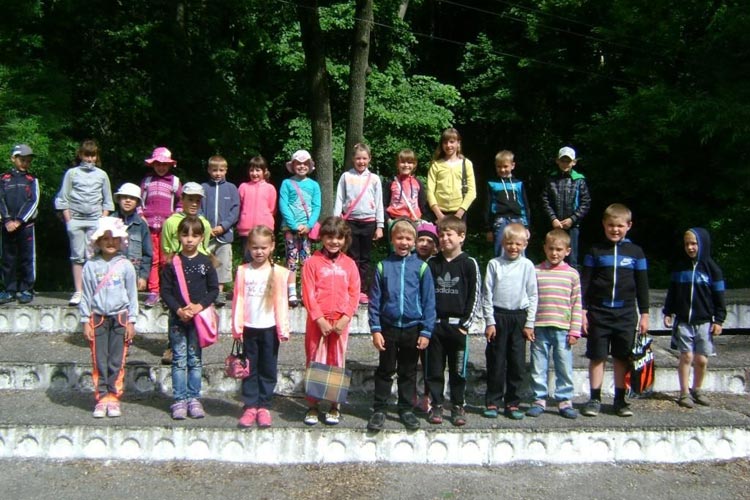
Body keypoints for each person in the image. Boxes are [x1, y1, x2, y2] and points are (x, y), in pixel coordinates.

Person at [581, 203, 649, 418]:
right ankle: (594, 399)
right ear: (604, 224)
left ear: (629, 226)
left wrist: (645, 313)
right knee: (597, 356)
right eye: (611, 225)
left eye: (620, 226)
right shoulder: (595, 251)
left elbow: (643, 285)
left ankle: (620, 400)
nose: (615, 229)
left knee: (622, 357)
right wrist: (582, 311)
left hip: (626, 314)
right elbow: (585, 283)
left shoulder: (636, 253)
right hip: (598, 312)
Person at [367, 219, 436, 431]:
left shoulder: (422, 268)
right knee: (385, 369)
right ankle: (380, 408)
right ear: (392, 240)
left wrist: (426, 331)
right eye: (399, 238)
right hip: (388, 327)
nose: (404, 242)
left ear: (414, 242)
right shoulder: (383, 266)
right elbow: (375, 301)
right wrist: (375, 329)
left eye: (408, 238)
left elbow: (429, 301)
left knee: (408, 371)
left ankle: (406, 409)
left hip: (412, 328)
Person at [301, 216, 360, 426]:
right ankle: (313, 405)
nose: (334, 242)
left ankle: (335, 406)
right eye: (329, 237)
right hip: (318, 322)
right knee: (315, 359)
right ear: (322, 238)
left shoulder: (350, 264)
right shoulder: (311, 262)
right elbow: (308, 292)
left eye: (339, 238)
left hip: (340, 322)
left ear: (345, 240)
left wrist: (346, 318)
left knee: (337, 361)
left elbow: (354, 293)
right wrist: (319, 319)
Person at [231, 225, 291, 428]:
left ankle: (264, 405)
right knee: (249, 368)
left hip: (269, 328)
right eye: (255, 247)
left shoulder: (279, 272)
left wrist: (283, 328)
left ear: (272, 247)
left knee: (268, 368)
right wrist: (237, 327)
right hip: (249, 328)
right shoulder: (243, 271)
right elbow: (238, 299)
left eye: (263, 247)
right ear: (248, 247)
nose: (259, 251)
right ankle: (250, 405)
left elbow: (282, 302)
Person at [160, 216, 219, 420]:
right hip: (178, 319)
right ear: (178, 236)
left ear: (202, 237)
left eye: (195, 235)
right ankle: (179, 399)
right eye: (185, 235)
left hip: (198, 320)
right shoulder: (171, 263)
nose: (190, 239)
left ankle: (194, 398)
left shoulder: (206, 262)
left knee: (194, 359)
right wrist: (179, 310)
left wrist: (198, 307)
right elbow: (165, 291)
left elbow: (213, 290)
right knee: (179, 359)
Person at [79, 217, 138, 418]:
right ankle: (101, 396)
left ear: (121, 241)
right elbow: (86, 295)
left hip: (120, 317)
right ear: (97, 241)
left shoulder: (125, 265)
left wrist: (132, 321)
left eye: (114, 238)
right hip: (98, 318)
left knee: (116, 360)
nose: (110, 242)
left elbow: (132, 295)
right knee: (99, 359)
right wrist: (85, 321)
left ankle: (113, 396)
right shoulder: (90, 266)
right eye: (105, 238)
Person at [426, 215, 482, 426]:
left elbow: (475, 295)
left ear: (461, 236)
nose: (444, 238)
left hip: (458, 327)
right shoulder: (432, 263)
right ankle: (437, 404)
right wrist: (428, 324)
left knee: (458, 370)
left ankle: (458, 405)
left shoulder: (469, 264)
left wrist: (465, 325)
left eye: (449, 234)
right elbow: (426, 295)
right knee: (434, 369)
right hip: (435, 326)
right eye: (441, 235)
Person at [663, 228, 726, 408]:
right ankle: (684, 392)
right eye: (687, 244)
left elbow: (719, 298)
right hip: (683, 321)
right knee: (686, 356)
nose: (690, 247)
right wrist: (668, 312)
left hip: (704, 322)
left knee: (701, 359)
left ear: (702, 244)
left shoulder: (712, 270)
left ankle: (697, 389)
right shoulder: (680, 268)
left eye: (694, 244)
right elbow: (672, 293)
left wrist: (719, 320)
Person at [482, 223, 538, 420]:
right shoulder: (494, 264)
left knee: (517, 364)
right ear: (502, 243)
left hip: (519, 318)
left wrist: (529, 323)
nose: (513, 247)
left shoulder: (527, 265)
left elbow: (533, 295)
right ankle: (493, 401)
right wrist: (490, 322)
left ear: (525, 244)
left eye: (518, 244)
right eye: (509, 243)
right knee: (496, 362)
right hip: (498, 317)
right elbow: (487, 295)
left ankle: (513, 403)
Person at [527, 229, 582, 419]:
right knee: (538, 365)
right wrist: (529, 324)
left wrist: (575, 330)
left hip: (563, 329)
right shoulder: (536, 271)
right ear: (544, 248)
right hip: (540, 326)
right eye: (551, 249)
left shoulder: (572, 274)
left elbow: (577, 303)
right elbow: (530, 299)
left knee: (564, 366)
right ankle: (539, 398)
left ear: (567, 251)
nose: (554, 253)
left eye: (559, 249)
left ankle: (564, 400)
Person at [55, 139, 114, 306]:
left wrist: (102, 219)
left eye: (93, 156)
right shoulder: (72, 173)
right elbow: (63, 198)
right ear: (80, 155)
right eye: (87, 155)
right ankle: (79, 291)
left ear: (97, 156)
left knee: (93, 255)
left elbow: (108, 201)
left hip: (95, 220)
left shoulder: (102, 175)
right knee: (77, 256)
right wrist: (69, 220)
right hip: (76, 220)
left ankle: (94, 291)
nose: (90, 159)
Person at [160, 182, 212, 364]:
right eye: (190, 199)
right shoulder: (171, 222)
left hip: (197, 271)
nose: (194, 204)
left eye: (198, 200)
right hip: (176, 269)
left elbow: (204, 247)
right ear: (182, 199)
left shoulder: (205, 223)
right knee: (175, 309)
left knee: (196, 308)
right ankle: (172, 345)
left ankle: (196, 342)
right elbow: (166, 247)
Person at [333, 143, 383, 304]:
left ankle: (363, 289)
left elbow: (379, 202)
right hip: (350, 222)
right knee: (352, 257)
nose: (361, 161)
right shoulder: (346, 176)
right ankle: (351, 288)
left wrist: (380, 225)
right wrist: (336, 221)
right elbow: (339, 198)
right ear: (353, 159)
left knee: (365, 258)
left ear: (369, 159)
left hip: (369, 222)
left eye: (364, 158)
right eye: (358, 158)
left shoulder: (374, 179)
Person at [140, 146, 182, 308]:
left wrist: (174, 218)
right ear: (153, 164)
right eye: (158, 164)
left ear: (170, 165)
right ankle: (154, 290)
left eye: (164, 164)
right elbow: (139, 201)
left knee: (167, 260)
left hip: (168, 228)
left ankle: (167, 291)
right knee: (153, 259)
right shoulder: (147, 181)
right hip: (149, 226)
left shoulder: (175, 181)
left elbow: (180, 202)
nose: (161, 167)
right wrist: (141, 216)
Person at [279, 150, 320, 307]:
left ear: (309, 166)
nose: (302, 166)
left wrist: (309, 226)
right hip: (290, 228)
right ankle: (291, 292)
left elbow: (316, 206)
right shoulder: (286, 183)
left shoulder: (314, 185)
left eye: (305, 164)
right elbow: (283, 204)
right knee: (291, 259)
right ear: (293, 165)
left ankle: (305, 291)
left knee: (306, 260)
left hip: (307, 230)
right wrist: (293, 225)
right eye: (298, 163)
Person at [0, 144, 40, 304]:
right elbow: (0, 200)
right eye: (22, 160)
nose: (25, 163)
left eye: (28, 161)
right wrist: (7, 220)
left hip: (26, 227)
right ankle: (8, 290)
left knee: (27, 258)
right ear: (13, 158)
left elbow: (33, 201)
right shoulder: (3, 179)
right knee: (7, 258)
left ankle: (26, 289)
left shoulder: (32, 180)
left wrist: (19, 221)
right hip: (7, 226)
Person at [541, 146, 591, 268]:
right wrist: (553, 219)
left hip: (572, 226)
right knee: (553, 254)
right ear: (557, 161)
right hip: (555, 225)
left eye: (568, 161)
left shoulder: (579, 180)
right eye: (562, 160)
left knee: (572, 258)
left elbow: (585, 203)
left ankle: (572, 279)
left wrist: (572, 219)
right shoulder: (551, 179)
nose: (565, 163)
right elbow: (545, 201)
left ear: (574, 162)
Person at [201, 155, 239, 307]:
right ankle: (205, 290)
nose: (218, 173)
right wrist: (206, 227)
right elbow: (199, 209)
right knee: (205, 261)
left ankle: (219, 292)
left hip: (225, 234)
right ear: (209, 170)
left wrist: (224, 226)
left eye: (221, 170)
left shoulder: (231, 188)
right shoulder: (203, 188)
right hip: (206, 235)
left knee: (223, 263)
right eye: (214, 170)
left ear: (226, 170)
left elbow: (235, 211)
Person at [426, 127, 476, 224]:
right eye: (445, 142)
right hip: (438, 213)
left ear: (458, 143)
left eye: (452, 142)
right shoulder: (436, 165)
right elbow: (430, 191)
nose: (448, 145)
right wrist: (439, 215)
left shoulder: (466, 164)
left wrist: (459, 214)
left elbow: (472, 192)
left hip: (459, 212)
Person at [485, 150, 530, 257]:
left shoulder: (518, 184)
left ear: (512, 165)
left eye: (505, 166)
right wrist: (488, 229)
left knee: (519, 249)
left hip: (518, 220)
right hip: (500, 221)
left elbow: (524, 205)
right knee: (500, 250)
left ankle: (520, 268)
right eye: (499, 167)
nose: (502, 169)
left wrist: (527, 226)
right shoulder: (492, 184)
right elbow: (487, 207)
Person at [112, 183, 152, 294]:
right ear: (118, 199)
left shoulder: (141, 225)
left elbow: (147, 254)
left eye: (132, 198)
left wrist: (143, 276)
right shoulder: (110, 221)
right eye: (124, 197)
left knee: (131, 301)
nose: (128, 200)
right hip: (112, 273)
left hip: (134, 273)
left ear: (137, 202)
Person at [237, 155, 277, 252]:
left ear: (264, 171)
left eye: (258, 170)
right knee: (248, 257)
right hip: (246, 231)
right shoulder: (243, 187)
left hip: (264, 231)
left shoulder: (270, 188)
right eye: (251, 170)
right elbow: (239, 207)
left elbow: (272, 209)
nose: (254, 173)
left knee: (264, 256)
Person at [383, 149, 428, 227]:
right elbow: (384, 204)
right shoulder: (391, 182)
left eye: (410, 162)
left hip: (413, 221)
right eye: (403, 162)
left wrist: (425, 219)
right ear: (397, 164)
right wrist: (388, 219)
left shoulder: (418, 183)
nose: (406, 165)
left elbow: (423, 205)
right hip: (395, 221)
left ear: (414, 164)